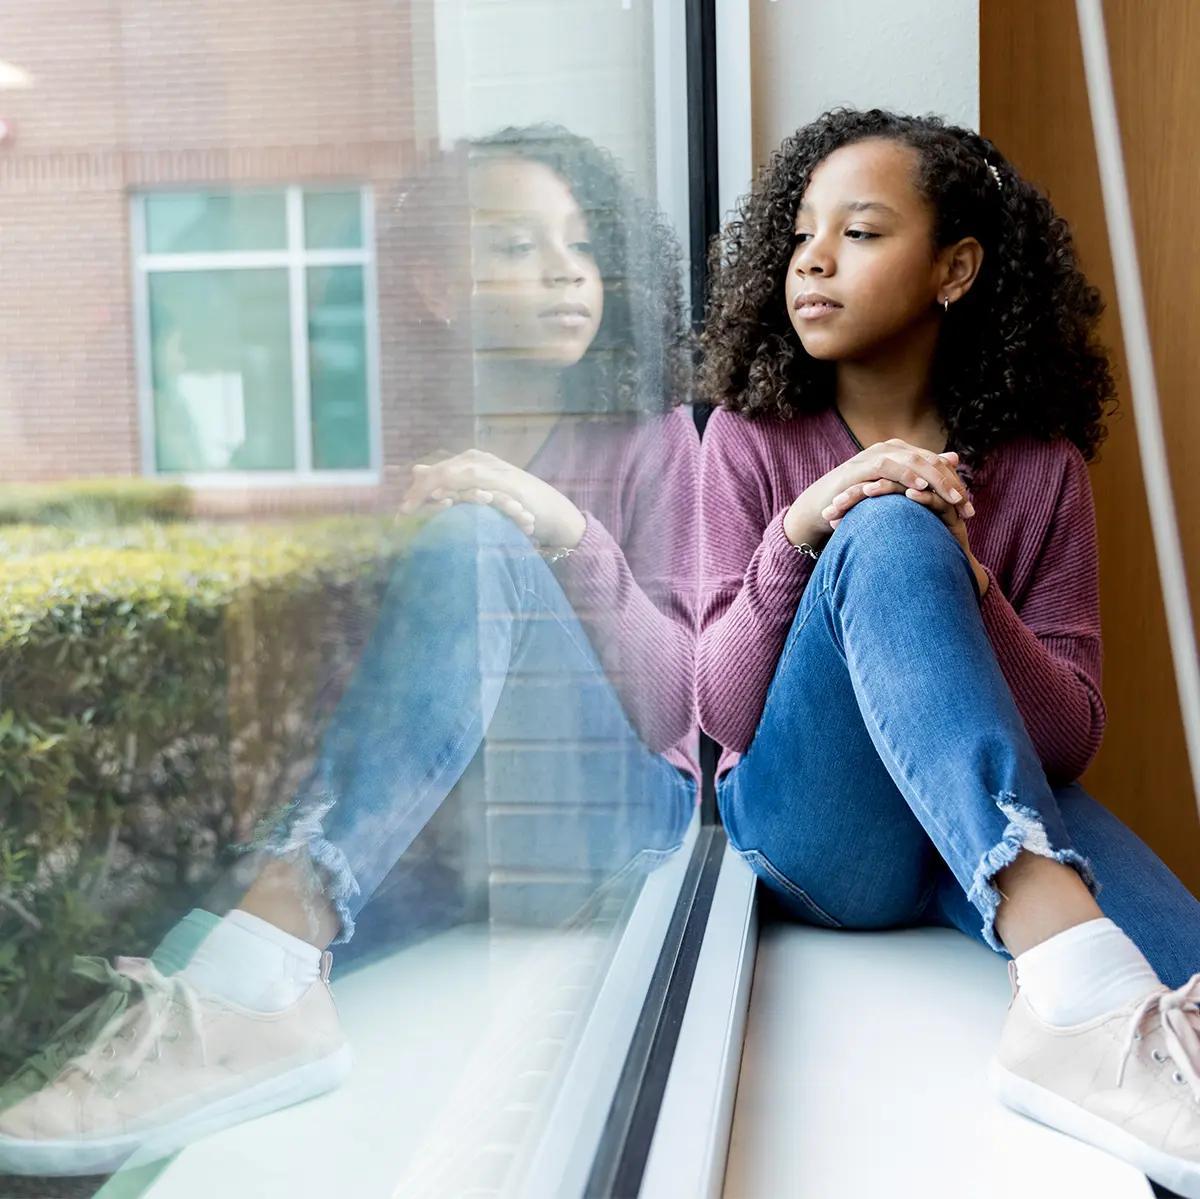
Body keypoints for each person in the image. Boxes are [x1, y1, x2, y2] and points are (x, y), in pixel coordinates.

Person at [0, 126, 701, 1178]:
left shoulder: (650, 440)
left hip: (617, 820)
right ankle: (188, 1026)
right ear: (434, 286)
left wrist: (555, 526)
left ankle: (263, 968)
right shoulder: (414, 443)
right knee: (202, 938)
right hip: (462, 830)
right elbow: (388, 718)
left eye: (581, 243)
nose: (566, 270)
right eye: (513, 246)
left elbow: (681, 704)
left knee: (474, 539)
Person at [696, 106, 1200, 1195]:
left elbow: (1067, 734)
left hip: (970, 831)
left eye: (862, 233)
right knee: (886, 522)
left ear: (955, 268)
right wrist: (809, 528)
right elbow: (723, 708)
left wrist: (971, 584)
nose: (813, 261)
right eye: (800, 237)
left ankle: (1086, 998)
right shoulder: (750, 438)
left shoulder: (1040, 466)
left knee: (1193, 969)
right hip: (819, 840)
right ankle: (1070, 988)